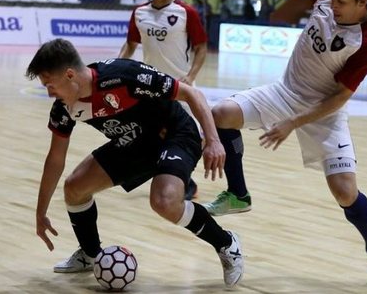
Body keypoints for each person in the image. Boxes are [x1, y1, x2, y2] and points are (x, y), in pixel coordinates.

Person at [203, 0, 367, 287]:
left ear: (363, 2)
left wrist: (292, 123)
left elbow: (339, 98)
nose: (333, 5)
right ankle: (238, 194)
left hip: (324, 111)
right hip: (284, 91)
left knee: (345, 192)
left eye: (342, 2)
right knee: (221, 113)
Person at [27, 39, 243, 288]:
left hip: (174, 135)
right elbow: (55, 159)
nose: (49, 93)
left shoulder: (124, 76)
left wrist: (214, 140)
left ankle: (226, 243)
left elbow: (191, 93)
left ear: (69, 75)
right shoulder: (63, 109)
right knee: (74, 187)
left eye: (50, 85)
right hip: (133, 143)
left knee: (164, 201)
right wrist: (40, 212)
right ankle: (89, 253)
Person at [118, 0, 209, 200]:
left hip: (182, 87)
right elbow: (130, 45)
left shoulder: (186, 12)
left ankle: (182, 176)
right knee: (157, 134)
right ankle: (179, 180)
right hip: (150, 88)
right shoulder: (139, 12)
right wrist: (115, 69)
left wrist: (191, 76)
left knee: (193, 136)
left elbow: (201, 48)